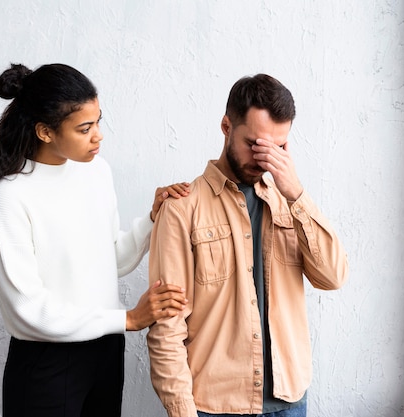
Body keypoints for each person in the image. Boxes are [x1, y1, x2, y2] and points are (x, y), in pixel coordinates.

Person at [0, 63, 189, 417]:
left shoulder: (97, 171)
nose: (98, 136)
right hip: (47, 363)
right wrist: (127, 319)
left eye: (99, 121)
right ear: (45, 131)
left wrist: (152, 218)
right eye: (85, 128)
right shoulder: (10, 196)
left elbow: (110, 260)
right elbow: (28, 309)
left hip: (105, 354)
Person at [147, 74, 349, 417]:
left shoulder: (291, 203)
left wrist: (296, 193)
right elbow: (167, 323)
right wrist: (182, 411)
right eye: (254, 144)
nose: (265, 158)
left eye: (279, 148)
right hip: (215, 406)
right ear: (227, 126)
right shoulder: (182, 207)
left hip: (289, 402)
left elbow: (332, 277)